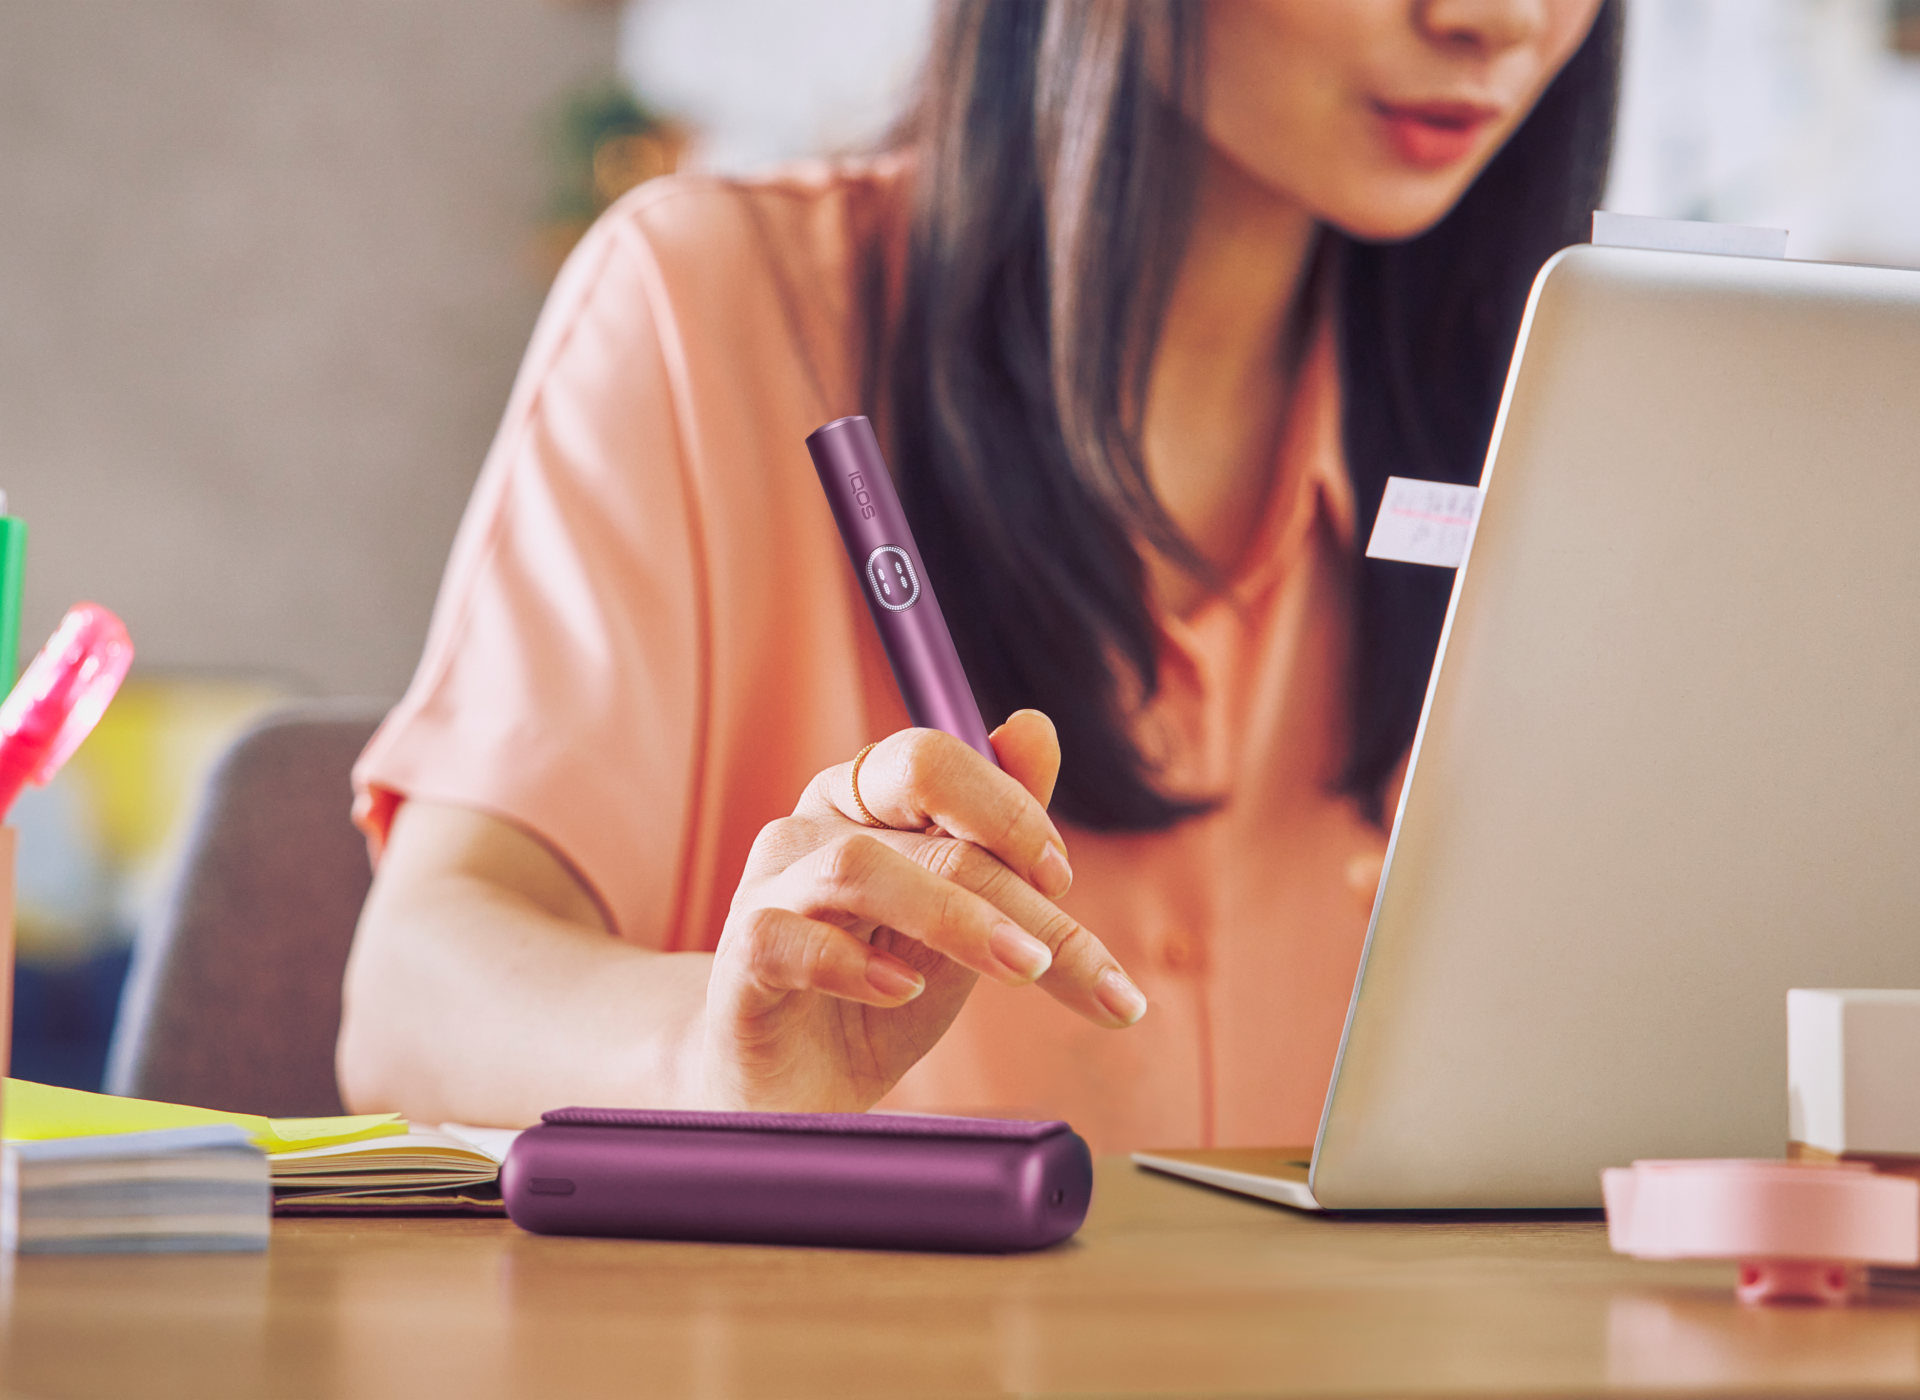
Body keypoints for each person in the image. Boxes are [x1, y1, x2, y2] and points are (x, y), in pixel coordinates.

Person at [338, 0, 1620, 1153]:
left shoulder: (1578, 416)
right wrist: (707, 1047)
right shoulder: (711, 307)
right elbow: (411, 996)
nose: (1496, 19)